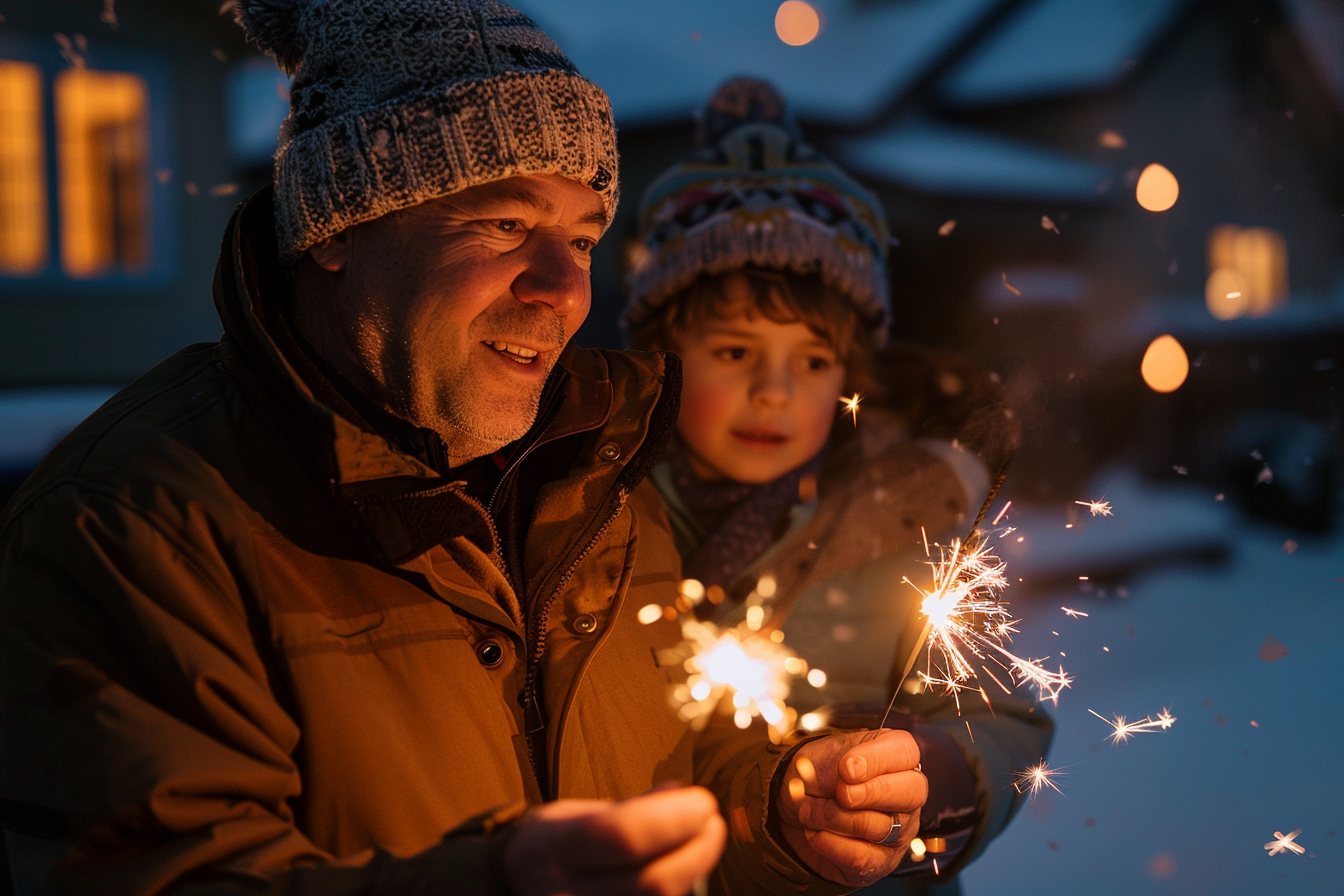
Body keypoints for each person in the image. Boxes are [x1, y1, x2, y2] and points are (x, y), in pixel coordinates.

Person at [0, 5, 930, 896]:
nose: (563, 288)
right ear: (341, 229)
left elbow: (655, 768)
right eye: (505, 224)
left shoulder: (599, 485)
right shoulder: (135, 523)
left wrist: (780, 810)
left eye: (581, 236)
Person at [624, 79, 1054, 893]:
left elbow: (1005, 715)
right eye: (734, 351)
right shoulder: (599, 518)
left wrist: (935, 776)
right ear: (664, 351)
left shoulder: (910, 524)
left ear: (853, 376)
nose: (774, 391)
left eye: (813, 362)